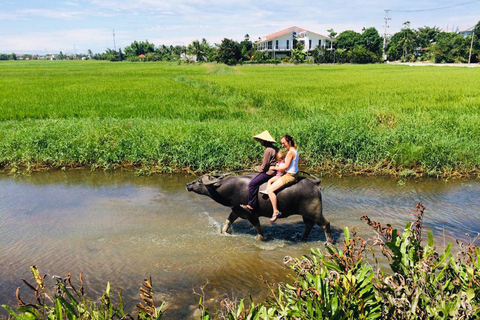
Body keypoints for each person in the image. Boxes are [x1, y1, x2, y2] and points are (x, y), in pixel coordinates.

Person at [240, 130, 278, 212]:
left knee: (252, 184)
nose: (260, 142)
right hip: (276, 171)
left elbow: (264, 167)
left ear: (265, 141)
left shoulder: (268, 150)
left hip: (269, 173)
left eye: (261, 140)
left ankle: (251, 205)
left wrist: (256, 168)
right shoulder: (275, 148)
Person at [267, 135, 299, 222]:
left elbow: (285, 167)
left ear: (289, 142)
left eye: (284, 143)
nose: (283, 145)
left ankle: (275, 211)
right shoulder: (294, 150)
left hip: (289, 176)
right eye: (281, 143)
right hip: (294, 174)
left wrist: (274, 168)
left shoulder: (290, 153)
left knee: (270, 190)